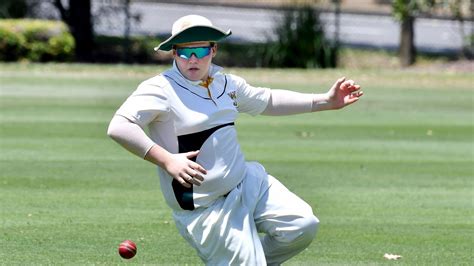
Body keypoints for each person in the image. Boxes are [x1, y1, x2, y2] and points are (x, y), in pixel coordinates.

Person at [107, 14, 363, 265]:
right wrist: (167, 161)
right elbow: (119, 126)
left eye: (200, 51)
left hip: (246, 182)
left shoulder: (225, 81)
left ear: (214, 50)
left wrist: (326, 101)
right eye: (184, 52)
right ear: (174, 53)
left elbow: (268, 100)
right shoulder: (160, 88)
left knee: (302, 225)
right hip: (206, 209)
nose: (192, 59)